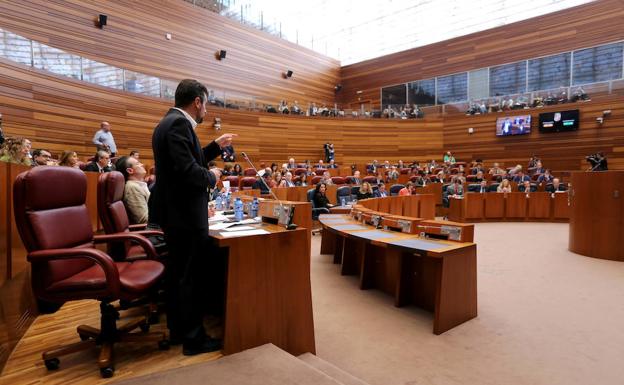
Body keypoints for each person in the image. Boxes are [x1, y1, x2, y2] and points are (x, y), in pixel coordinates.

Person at [151, 78, 237, 356]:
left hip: (177, 214)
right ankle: (194, 339)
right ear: (197, 101)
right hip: (184, 214)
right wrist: (211, 176)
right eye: (206, 104)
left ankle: (179, 330)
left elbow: (189, 158)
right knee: (190, 277)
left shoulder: (170, 122)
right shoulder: (178, 124)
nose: (207, 111)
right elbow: (188, 171)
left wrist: (214, 146)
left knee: (179, 275)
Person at [116, 156, 150, 224]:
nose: (142, 164)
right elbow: (144, 219)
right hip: (151, 232)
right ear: (130, 170)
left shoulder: (138, 185)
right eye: (138, 163)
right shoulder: (132, 188)